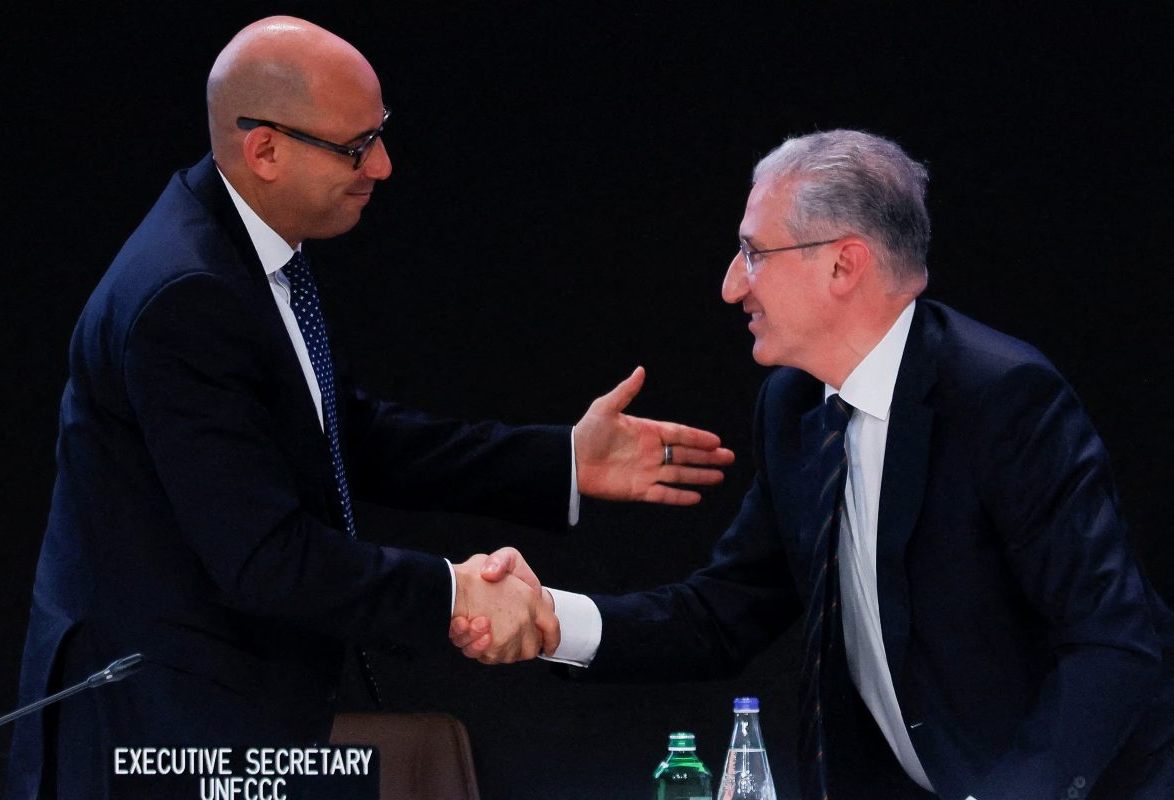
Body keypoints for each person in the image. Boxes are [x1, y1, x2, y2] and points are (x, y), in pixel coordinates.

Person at [5, 16, 736, 800]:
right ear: (266, 150)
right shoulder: (188, 298)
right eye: (357, 147)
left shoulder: (242, 252)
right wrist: (458, 593)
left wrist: (559, 460)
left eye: (380, 134)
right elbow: (266, 560)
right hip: (155, 725)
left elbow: (345, 435)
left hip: (215, 705)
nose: (383, 166)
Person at [456, 130, 1174, 799]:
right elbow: (724, 613)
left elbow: (1111, 647)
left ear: (843, 263)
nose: (732, 285)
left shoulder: (1001, 399)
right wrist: (552, 620)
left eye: (753, 252)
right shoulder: (794, 406)